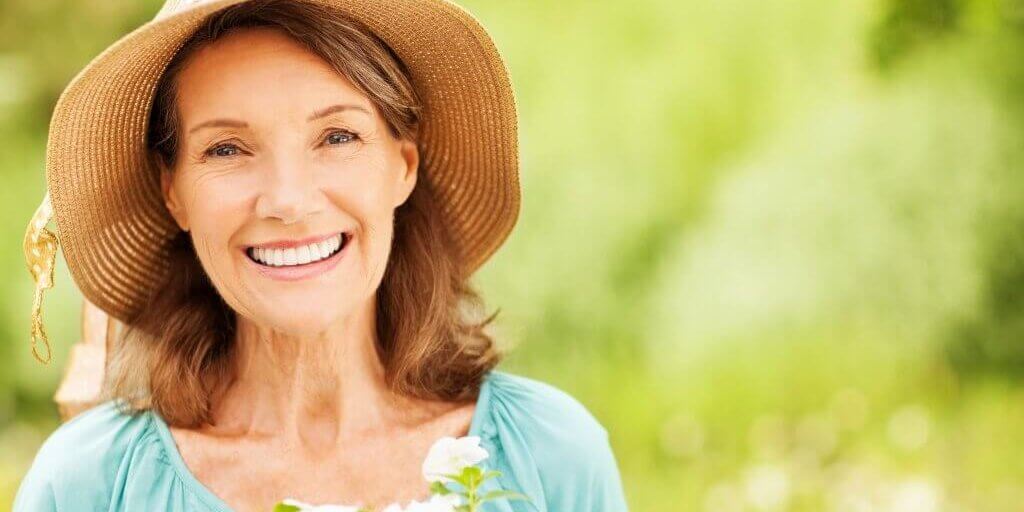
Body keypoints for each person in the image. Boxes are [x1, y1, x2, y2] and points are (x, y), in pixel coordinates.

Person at [13, 0, 628, 511]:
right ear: (173, 192)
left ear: (403, 166)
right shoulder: (86, 485)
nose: (288, 200)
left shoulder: (551, 457)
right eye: (227, 149)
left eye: (338, 137)